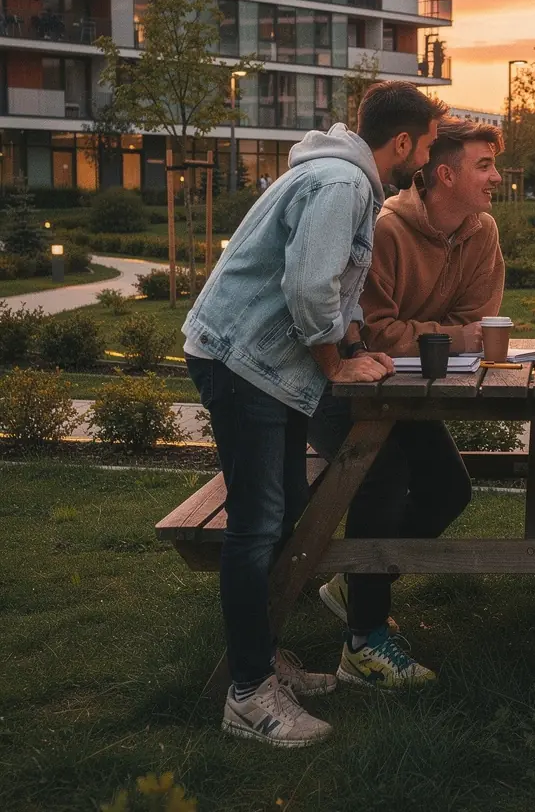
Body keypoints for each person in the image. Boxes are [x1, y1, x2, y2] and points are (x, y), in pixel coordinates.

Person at [183, 81, 444, 748]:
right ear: (405, 141)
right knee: (258, 520)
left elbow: (335, 282)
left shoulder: (344, 178)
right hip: (244, 363)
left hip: (263, 366)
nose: (431, 160)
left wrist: (354, 349)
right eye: (430, 146)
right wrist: (336, 366)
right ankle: (247, 695)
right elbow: (307, 287)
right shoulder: (342, 185)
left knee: (284, 503)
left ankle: (263, 661)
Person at [311, 118, 506, 686]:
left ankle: (356, 584)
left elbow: (476, 318)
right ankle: (363, 646)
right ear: (444, 174)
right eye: (484, 166)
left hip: (407, 394)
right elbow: (370, 333)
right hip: (339, 385)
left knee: (450, 488)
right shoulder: (387, 230)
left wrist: (429, 334)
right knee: (382, 473)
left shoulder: (482, 231)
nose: (496, 176)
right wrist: (445, 335)